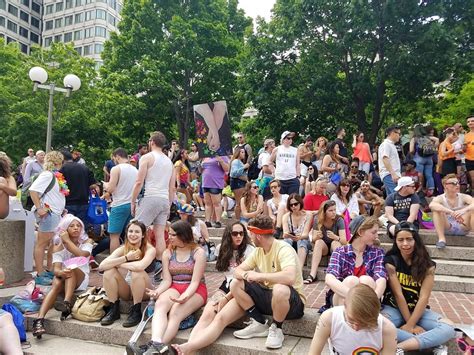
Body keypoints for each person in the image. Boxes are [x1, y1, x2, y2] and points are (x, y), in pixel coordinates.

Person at [171, 222, 255, 354]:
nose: (239, 236)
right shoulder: (221, 248)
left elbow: (247, 280)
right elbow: (227, 275)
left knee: (220, 318)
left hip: (244, 289)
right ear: (228, 234)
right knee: (206, 314)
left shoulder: (250, 250)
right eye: (235, 233)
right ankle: (189, 348)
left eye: (241, 233)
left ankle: (187, 348)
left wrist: (226, 299)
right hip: (226, 286)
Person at [231, 215, 305, 350]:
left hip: (293, 303)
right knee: (235, 284)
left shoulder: (283, 248)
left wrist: (259, 276)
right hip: (271, 298)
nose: (250, 238)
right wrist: (246, 274)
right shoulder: (258, 251)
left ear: (258, 235)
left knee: (280, 288)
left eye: (251, 234)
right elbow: (238, 271)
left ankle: (277, 328)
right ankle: (259, 323)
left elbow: (289, 277)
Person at [381, 221, 455, 354]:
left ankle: (401, 347)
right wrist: (411, 325)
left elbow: (424, 297)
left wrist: (410, 324)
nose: (405, 244)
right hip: (394, 308)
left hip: (418, 311)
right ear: (396, 242)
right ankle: (433, 344)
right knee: (376, 325)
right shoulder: (391, 261)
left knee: (448, 327)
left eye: (409, 239)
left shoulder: (428, 265)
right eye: (401, 240)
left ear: (416, 240)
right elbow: (399, 295)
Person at [140, 221, 207, 354]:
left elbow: (195, 282)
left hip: (196, 289)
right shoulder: (168, 253)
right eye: (169, 234)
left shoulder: (198, 252)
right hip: (174, 286)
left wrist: (185, 296)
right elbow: (166, 280)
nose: (169, 237)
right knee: (160, 304)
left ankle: (157, 349)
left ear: (183, 235)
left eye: (173, 235)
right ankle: (156, 343)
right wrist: (157, 291)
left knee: (176, 311)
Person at [32, 214, 94, 337]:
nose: (76, 228)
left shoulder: (87, 241)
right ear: (65, 229)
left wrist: (67, 240)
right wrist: (61, 273)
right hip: (64, 278)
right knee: (57, 281)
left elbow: (82, 255)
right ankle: (39, 320)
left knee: (70, 270)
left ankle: (66, 301)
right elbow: (56, 269)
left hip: (81, 279)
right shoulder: (57, 246)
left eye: (78, 226)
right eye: (72, 226)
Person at [131, 131, 175, 277]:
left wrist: (133, 201)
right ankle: (159, 265)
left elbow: (138, 182)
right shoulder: (169, 161)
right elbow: (172, 187)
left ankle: (136, 266)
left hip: (150, 197)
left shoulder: (147, 157)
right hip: (163, 200)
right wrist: (169, 204)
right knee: (160, 235)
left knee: (136, 232)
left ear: (152, 142)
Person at [309, 284, 397, 355]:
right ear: (344, 305)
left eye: (364, 324)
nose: (356, 328)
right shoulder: (329, 318)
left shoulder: (387, 329)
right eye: (351, 321)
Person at [99, 221, 156, 327]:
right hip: (128, 289)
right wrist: (126, 258)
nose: (133, 234)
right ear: (126, 233)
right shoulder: (123, 249)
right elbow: (102, 266)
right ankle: (113, 309)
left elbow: (140, 266)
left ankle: (136, 311)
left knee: (136, 272)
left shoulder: (150, 249)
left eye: (137, 232)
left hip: (146, 290)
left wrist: (118, 264)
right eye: (130, 231)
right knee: (109, 271)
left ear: (143, 235)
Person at [324, 215, 387, 308]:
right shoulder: (340, 252)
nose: (377, 236)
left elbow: (381, 279)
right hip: (342, 298)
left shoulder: (378, 253)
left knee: (366, 280)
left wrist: (373, 298)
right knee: (351, 281)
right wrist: (355, 297)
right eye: (374, 232)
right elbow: (329, 279)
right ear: (360, 232)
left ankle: (363, 319)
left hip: (369, 301)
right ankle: (346, 320)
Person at [30, 151, 67, 276]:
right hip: (50, 213)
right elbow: (33, 190)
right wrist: (39, 208)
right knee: (42, 244)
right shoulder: (47, 175)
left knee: (52, 243)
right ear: (57, 162)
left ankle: (49, 269)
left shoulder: (54, 175)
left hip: (55, 213)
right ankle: (40, 274)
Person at [102, 148, 138, 252]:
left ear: (117, 157)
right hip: (132, 205)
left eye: (114, 159)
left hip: (119, 205)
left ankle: (114, 262)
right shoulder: (135, 170)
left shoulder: (116, 169)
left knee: (114, 236)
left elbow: (111, 188)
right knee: (130, 235)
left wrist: (106, 186)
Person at [302, 200, 346, 284]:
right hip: (324, 247)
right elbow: (314, 240)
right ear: (324, 212)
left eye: (334, 210)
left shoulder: (339, 220)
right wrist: (317, 236)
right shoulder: (317, 219)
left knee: (335, 243)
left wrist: (335, 237)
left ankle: (338, 272)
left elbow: (344, 241)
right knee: (318, 242)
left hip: (335, 245)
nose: (333, 212)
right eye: (330, 210)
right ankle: (312, 274)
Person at [429, 174, 474, 249]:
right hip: (447, 227)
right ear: (445, 186)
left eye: (458, 183)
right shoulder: (440, 198)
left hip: (463, 226)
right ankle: (441, 239)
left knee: (472, 210)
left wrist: (463, 210)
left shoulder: (463, 196)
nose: (457, 185)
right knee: (437, 211)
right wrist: (450, 212)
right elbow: (432, 205)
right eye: (454, 183)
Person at [60, 149, 99, 223]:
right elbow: (93, 185)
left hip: (67, 203)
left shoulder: (62, 169)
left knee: (67, 227)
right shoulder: (85, 167)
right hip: (83, 203)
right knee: (81, 228)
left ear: (62, 159)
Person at [282, 193, 311, 270]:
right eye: (291, 205)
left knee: (301, 241)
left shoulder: (308, 215)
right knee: (286, 241)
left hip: (304, 240)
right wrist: (289, 236)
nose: (293, 206)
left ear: (300, 203)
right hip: (291, 241)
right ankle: (285, 268)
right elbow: (285, 232)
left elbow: (306, 234)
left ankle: (299, 270)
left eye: (295, 204)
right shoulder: (286, 216)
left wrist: (299, 237)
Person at [201, 154, 229, 228]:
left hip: (215, 182)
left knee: (216, 203)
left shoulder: (222, 155)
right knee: (207, 203)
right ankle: (207, 221)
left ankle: (218, 221)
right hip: (205, 182)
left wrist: (221, 161)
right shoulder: (205, 155)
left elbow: (227, 169)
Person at [409, 124, 438, 196]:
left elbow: (411, 150)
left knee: (419, 175)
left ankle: (420, 189)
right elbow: (437, 140)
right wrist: (433, 147)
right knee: (429, 175)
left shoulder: (414, 139)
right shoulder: (429, 138)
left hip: (419, 158)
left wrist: (413, 154)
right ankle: (431, 190)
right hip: (429, 159)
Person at [270, 131, 301, 195]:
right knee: (281, 201)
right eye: (288, 138)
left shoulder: (296, 150)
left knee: (293, 200)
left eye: (291, 138)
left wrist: (298, 176)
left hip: (292, 178)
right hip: (279, 179)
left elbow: (298, 164)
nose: (290, 140)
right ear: (283, 139)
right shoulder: (277, 149)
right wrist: (273, 171)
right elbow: (270, 162)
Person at [379, 125, 402, 195]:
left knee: (391, 198)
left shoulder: (391, 145)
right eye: (398, 133)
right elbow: (385, 159)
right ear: (392, 133)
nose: (399, 136)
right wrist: (393, 174)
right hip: (389, 174)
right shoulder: (386, 144)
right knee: (397, 195)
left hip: (392, 174)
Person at [229, 147, 249, 220]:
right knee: (239, 202)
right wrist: (244, 167)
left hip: (241, 184)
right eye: (242, 152)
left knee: (241, 202)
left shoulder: (238, 162)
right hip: (238, 184)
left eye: (244, 152)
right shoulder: (236, 161)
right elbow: (234, 173)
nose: (244, 154)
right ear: (238, 153)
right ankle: (238, 219)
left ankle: (240, 218)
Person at [0, 153, 17, 219]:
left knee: (1, 180)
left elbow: (14, 193)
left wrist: (2, 186)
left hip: (2, 209)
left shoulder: (9, 178)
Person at [464, 116, 474, 194]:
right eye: (468, 122)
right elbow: (463, 150)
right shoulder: (465, 136)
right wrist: (464, 146)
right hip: (469, 159)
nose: (470, 123)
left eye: (472, 121)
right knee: (473, 178)